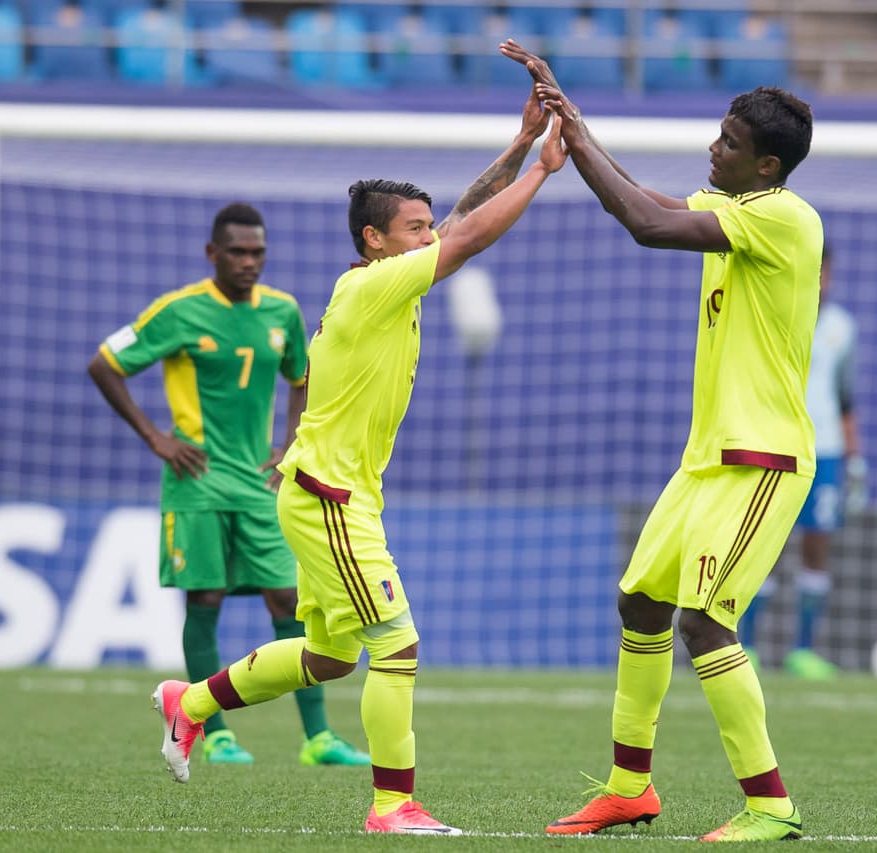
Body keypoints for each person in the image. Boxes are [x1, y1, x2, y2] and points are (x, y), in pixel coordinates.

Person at [149, 89, 567, 836]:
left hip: (336, 492)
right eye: (413, 229)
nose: (428, 236)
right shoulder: (376, 285)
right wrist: (541, 170)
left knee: (331, 657)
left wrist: (515, 147)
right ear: (374, 240)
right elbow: (468, 241)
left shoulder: (389, 276)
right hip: (329, 495)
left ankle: (194, 703)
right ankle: (391, 806)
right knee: (396, 645)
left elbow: (457, 222)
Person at [501, 40, 821, 843]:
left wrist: (571, 135)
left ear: (766, 164)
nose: (713, 148)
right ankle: (628, 787)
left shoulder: (783, 217)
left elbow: (645, 222)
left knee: (707, 620)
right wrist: (572, 122)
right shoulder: (740, 211)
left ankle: (770, 804)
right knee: (641, 601)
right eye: (717, 133)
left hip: (763, 460)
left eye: (729, 143)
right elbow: (650, 197)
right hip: (707, 459)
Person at [87, 202, 371, 769]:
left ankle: (317, 738)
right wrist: (156, 439)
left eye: (258, 253)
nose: (249, 262)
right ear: (212, 254)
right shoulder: (180, 311)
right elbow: (105, 364)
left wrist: (289, 441)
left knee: (289, 600)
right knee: (206, 598)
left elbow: (301, 377)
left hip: (259, 484)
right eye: (238, 252)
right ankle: (211, 730)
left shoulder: (282, 310)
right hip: (196, 483)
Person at [736, 243, 865, 681]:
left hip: (824, 452)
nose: (821, 281)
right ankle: (746, 647)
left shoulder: (842, 328)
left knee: (816, 546)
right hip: (776, 447)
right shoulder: (774, 314)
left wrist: (855, 461)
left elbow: (846, 397)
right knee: (763, 549)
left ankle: (803, 651)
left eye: (826, 273)